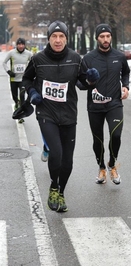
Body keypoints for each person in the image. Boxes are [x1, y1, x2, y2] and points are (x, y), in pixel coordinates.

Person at [22, 20, 97, 212]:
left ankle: (60, 191)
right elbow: (27, 79)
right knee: (56, 153)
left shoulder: (75, 58)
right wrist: (32, 93)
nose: (57, 40)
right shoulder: (38, 59)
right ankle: (53, 185)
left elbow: (83, 84)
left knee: (68, 161)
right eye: (54, 36)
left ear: (66, 38)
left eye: (61, 36)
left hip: (68, 114)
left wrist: (91, 79)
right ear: (49, 39)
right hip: (46, 112)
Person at [81, 23, 130, 185]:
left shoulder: (119, 56)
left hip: (114, 103)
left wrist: (126, 86)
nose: (105, 39)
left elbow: (126, 73)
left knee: (116, 135)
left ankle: (112, 164)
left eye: (108, 36)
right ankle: (101, 167)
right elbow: (80, 83)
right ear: (97, 39)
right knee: (98, 140)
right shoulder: (88, 59)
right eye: (102, 37)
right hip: (95, 106)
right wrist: (88, 82)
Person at [3, 37, 33, 123]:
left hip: (23, 79)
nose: (20, 46)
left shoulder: (28, 54)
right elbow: (4, 63)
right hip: (13, 79)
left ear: (24, 45)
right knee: (15, 96)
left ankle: (21, 116)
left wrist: (29, 72)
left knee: (22, 96)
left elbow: (34, 63)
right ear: (17, 45)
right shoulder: (11, 53)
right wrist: (8, 71)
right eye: (19, 44)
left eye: (22, 44)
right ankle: (16, 103)